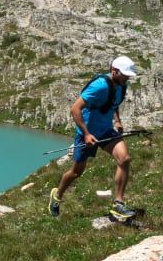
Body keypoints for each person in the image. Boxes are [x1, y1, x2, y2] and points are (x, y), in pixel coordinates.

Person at [49, 56, 138, 222]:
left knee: (124, 159)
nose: (127, 78)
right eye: (124, 74)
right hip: (87, 133)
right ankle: (57, 195)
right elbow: (75, 108)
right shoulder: (99, 86)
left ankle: (118, 204)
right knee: (76, 172)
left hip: (106, 131)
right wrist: (87, 134)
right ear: (114, 70)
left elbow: (114, 102)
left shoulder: (121, 84)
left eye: (128, 75)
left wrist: (117, 121)